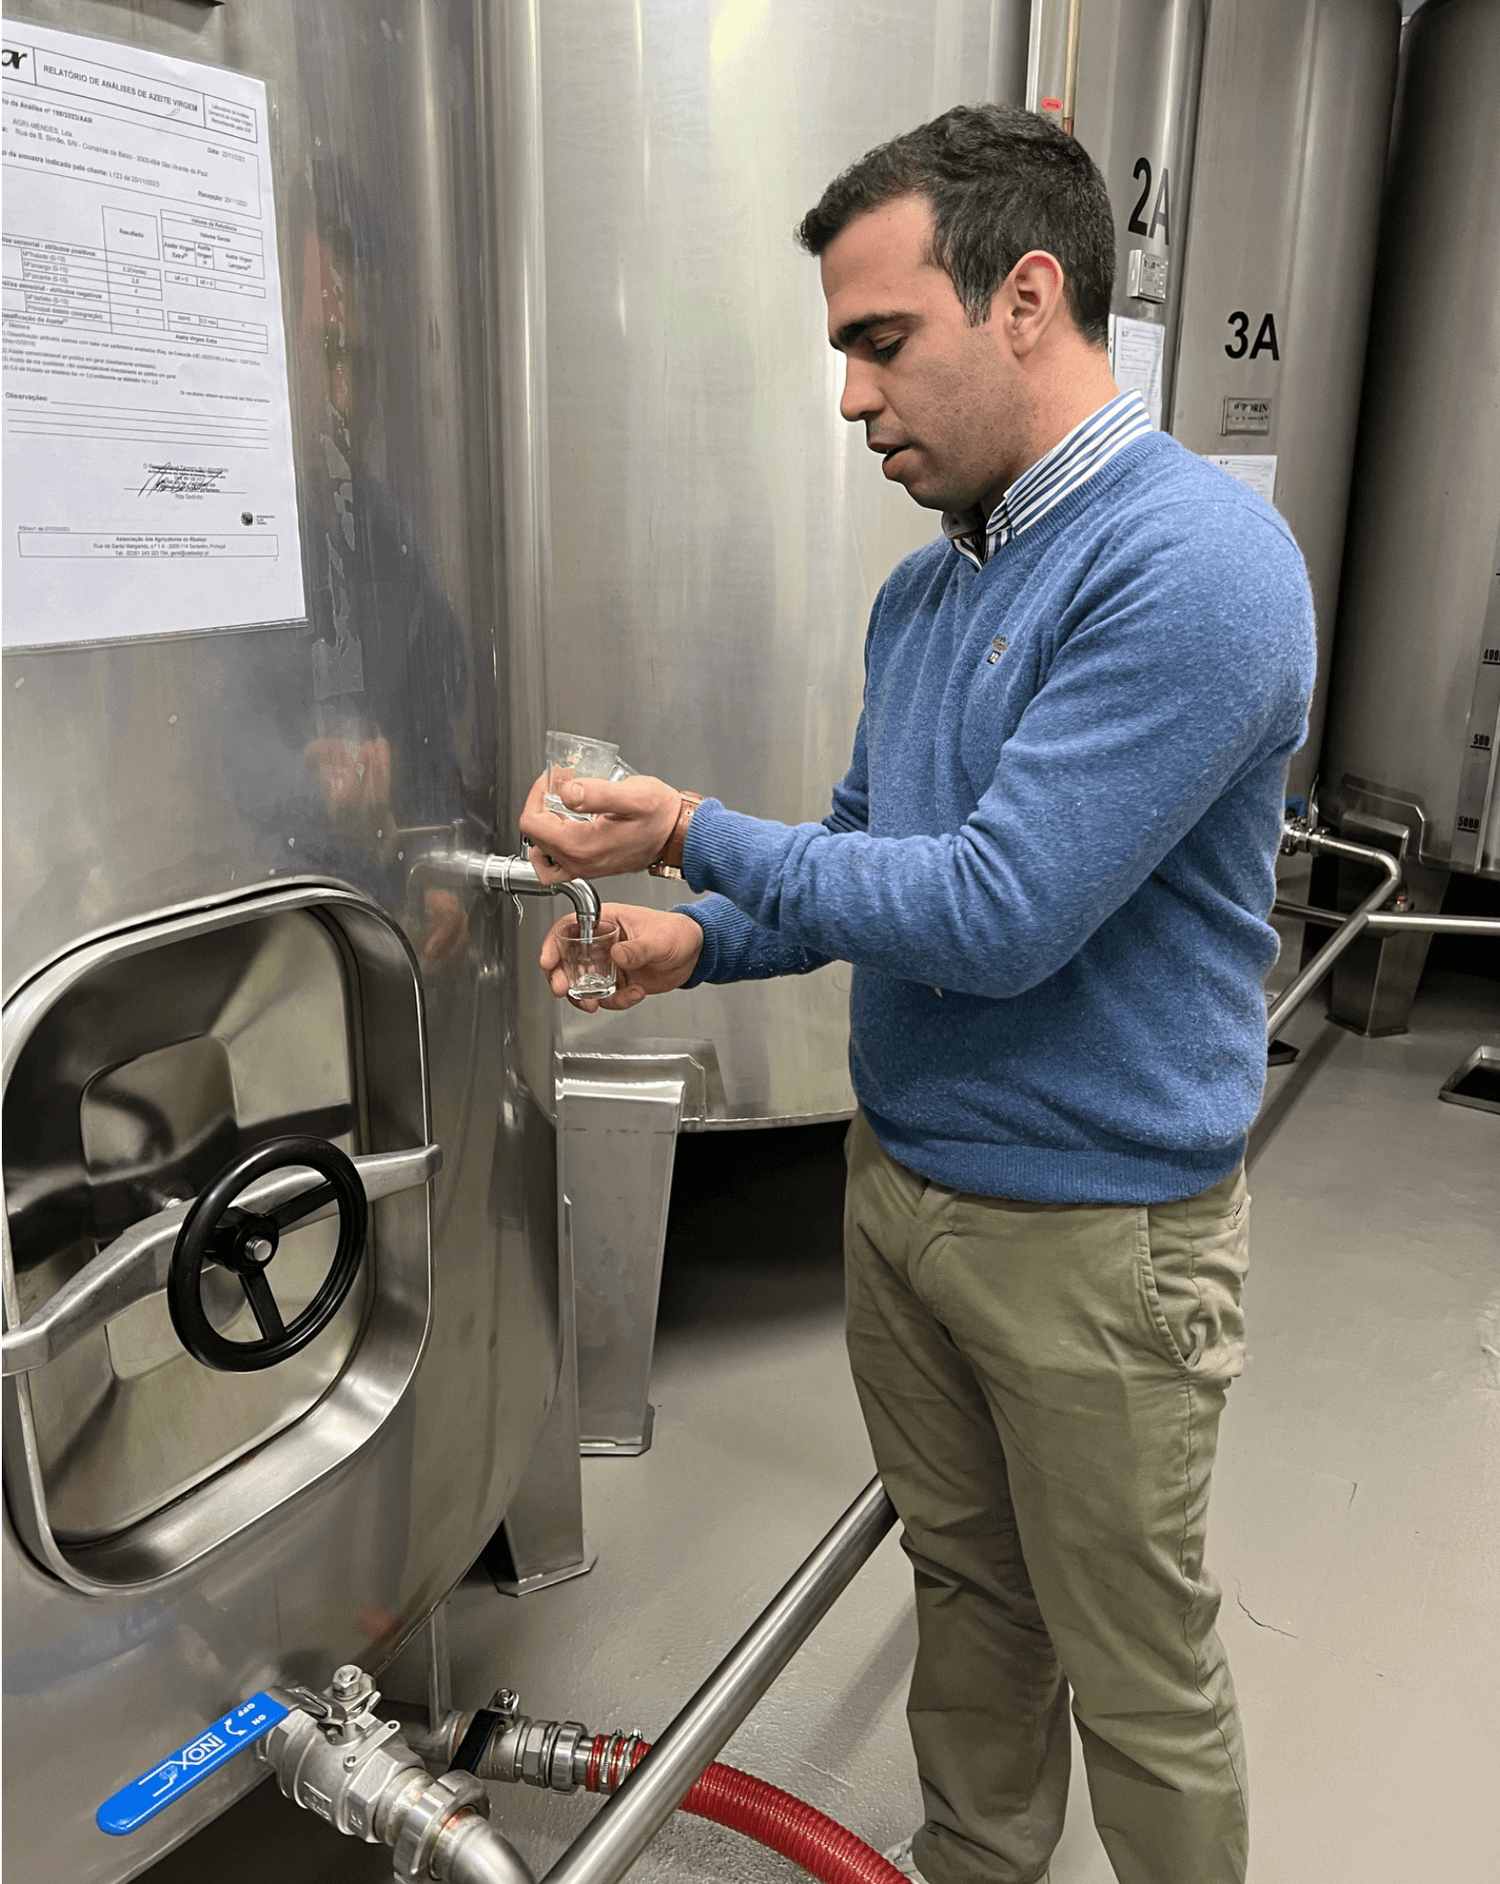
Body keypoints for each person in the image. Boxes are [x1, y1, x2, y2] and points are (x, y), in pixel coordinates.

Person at [520, 104, 1314, 1884]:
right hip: (907, 1198)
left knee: (1138, 1672)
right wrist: (697, 935)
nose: (857, 398)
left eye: (884, 343)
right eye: (842, 355)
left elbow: (1000, 909)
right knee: (969, 1603)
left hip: (1100, 1247)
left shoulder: (1193, 568)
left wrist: (691, 831)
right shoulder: (922, 597)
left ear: (1027, 297)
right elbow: (873, 852)